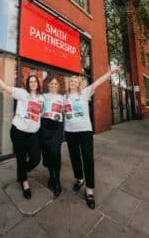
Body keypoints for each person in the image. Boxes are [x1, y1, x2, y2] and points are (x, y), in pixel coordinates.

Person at [0, 63, 44, 200]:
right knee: (21, 158)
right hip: (19, 131)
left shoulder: (41, 98)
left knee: (36, 158)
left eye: (35, 81)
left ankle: (22, 171)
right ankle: (24, 182)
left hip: (33, 133)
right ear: (28, 84)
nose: (33, 83)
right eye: (31, 81)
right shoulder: (22, 93)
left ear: (38, 83)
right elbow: (5, 87)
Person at [64, 67, 120, 209]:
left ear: (79, 84)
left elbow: (98, 82)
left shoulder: (85, 93)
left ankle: (89, 190)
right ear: (68, 84)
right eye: (71, 81)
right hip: (70, 132)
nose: (73, 83)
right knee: (74, 157)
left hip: (85, 132)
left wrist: (110, 73)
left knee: (88, 158)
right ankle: (80, 179)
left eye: (76, 81)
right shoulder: (64, 97)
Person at [40, 77, 64, 197]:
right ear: (48, 85)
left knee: (56, 153)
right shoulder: (43, 97)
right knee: (48, 153)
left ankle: (57, 181)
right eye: (51, 83)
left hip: (57, 126)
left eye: (56, 83)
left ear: (58, 86)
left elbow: (67, 110)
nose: (53, 85)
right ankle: (51, 176)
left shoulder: (62, 98)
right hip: (45, 126)